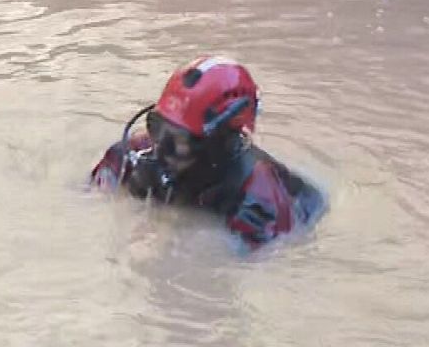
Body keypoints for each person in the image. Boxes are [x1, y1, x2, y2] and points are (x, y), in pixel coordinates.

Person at [90, 56, 326, 251]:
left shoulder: (260, 195)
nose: (161, 148)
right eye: (157, 128)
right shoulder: (138, 152)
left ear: (220, 142)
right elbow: (89, 198)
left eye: (178, 140)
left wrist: (176, 239)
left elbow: (243, 263)